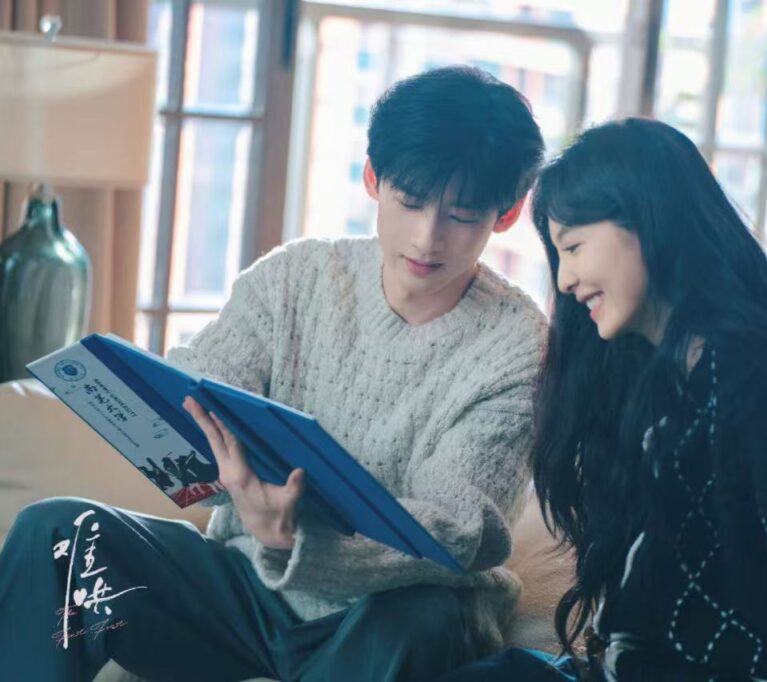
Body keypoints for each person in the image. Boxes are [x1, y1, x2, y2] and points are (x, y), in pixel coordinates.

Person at [0, 65, 547, 682]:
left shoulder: (517, 345)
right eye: (410, 202)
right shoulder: (296, 277)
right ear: (373, 178)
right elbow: (197, 394)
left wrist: (293, 539)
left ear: (506, 214)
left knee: (420, 617)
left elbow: (458, 529)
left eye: (462, 216)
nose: (427, 238)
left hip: (396, 613)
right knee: (58, 533)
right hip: (247, 591)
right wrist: (158, 418)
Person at [441, 118, 767, 681]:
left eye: (574, 247)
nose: (564, 280)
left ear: (649, 221)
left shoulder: (763, 378)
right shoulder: (656, 382)